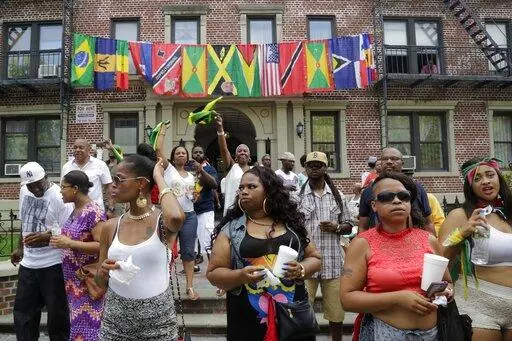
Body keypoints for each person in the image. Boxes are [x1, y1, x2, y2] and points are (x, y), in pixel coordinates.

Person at [207, 166, 321, 341]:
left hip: (292, 317)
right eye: (241, 187)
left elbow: (315, 257)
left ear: (269, 190)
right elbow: (213, 273)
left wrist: (302, 269)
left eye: (251, 187)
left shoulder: (292, 225)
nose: (244, 191)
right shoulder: (231, 230)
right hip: (247, 321)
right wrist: (240, 275)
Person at [340, 172, 454, 341]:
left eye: (403, 196)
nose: (397, 201)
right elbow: (347, 299)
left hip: (433, 334)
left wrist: (446, 292)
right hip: (386, 333)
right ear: (373, 205)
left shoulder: (428, 240)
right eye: (386, 197)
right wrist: (397, 298)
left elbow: (448, 283)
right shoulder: (362, 244)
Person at [97, 154, 185, 340]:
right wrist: (103, 272)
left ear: (141, 183)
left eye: (119, 179)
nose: (113, 185)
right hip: (115, 325)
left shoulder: (162, 222)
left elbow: (176, 217)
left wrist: (158, 176)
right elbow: (99, 283)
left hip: (159, 325)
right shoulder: (110, 227)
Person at [439, 157, 512, 341]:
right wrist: (462, 233)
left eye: (490, 175)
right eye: (477, 178)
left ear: (499, 178)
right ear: (470, 186)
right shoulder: (461, 215)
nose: (486, 181)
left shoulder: (509, 214)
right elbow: (439, 260)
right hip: (480, 305)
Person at [11, 162, 72, 341]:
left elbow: (68, 230)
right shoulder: (25, 192)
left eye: (39, 183)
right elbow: (24, 221)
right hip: (29, 263)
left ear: (46, 177)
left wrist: (46, 237)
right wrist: (19, 246)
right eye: (31, 185)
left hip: (53, 263)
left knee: (57, 314)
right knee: (23, 313)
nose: (36, 188)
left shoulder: (59, 197)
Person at [298, 151, 353, 341]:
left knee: (336, 314)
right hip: (306, 264)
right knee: (303, 311)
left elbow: (349, 226)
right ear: (305, 168)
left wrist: (337, 227)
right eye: (310, 165)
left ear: (325, 167)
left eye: (318, 165)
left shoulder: (338, 197)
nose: (314, 168)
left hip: (333, 263)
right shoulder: (297, 197)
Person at [50, 170, 106, 341]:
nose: (60, 191)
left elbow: (102, 246)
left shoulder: (93, 211)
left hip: (86, 281)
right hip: (72, 281)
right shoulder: (75, 210)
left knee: (87, 326)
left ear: (75, 189)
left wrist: (70, 243)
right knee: (77, 325)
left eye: (63, 187)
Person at [155, 124, 200, 300]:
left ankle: (189, 287)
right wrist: (164, 131)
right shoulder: (168, 170)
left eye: (184, 153)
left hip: (189, 216)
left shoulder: (191, 176)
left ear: (187, 157)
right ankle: (163, 286)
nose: (181, 155)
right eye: (178, 153)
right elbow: (158, 149)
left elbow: (193, 197)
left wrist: (195, 197)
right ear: (173, 158)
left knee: (188, 253)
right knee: (166, 252)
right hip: (171, 216)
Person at [359, 147, 434, 234]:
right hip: (379, 243)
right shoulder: (369, 191)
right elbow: (362, 227)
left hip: (413, 242)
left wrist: (431, 244)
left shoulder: (416, 188)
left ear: (402, 164)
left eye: (394, 159)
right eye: (385, 159)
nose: (389, 162)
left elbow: (428, 223)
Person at [62, 139, 114, 215]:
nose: (77, 150)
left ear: (89, 150)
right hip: (72, 213)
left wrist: (111, 208)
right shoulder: (66, 167)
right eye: (75, 147)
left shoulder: (100, 165)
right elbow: (63, 187)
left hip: (95, 213)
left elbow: (109, 187)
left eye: (81, 147)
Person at [214, 114, 252, 216]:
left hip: (251, 211)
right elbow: (223, 149)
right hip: (232, 211)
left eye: (245, 151)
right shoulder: (232, 167)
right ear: (235, 157)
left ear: (249, 157)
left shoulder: (255, 170)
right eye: (239, 151)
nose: (243, 152)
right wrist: (220, 129)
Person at [191, 145, 218, 260]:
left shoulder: (210, 169)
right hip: (190, 210)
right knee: (191, 240)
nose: (198, 154)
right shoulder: (187, 168)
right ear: (191, 155)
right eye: (195, 152)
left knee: (207, 240)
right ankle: (195, 262)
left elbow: (214, 184)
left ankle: (213, 266)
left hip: (205, 209)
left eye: (200, 152)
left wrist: (201, 170)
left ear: (204, 155)